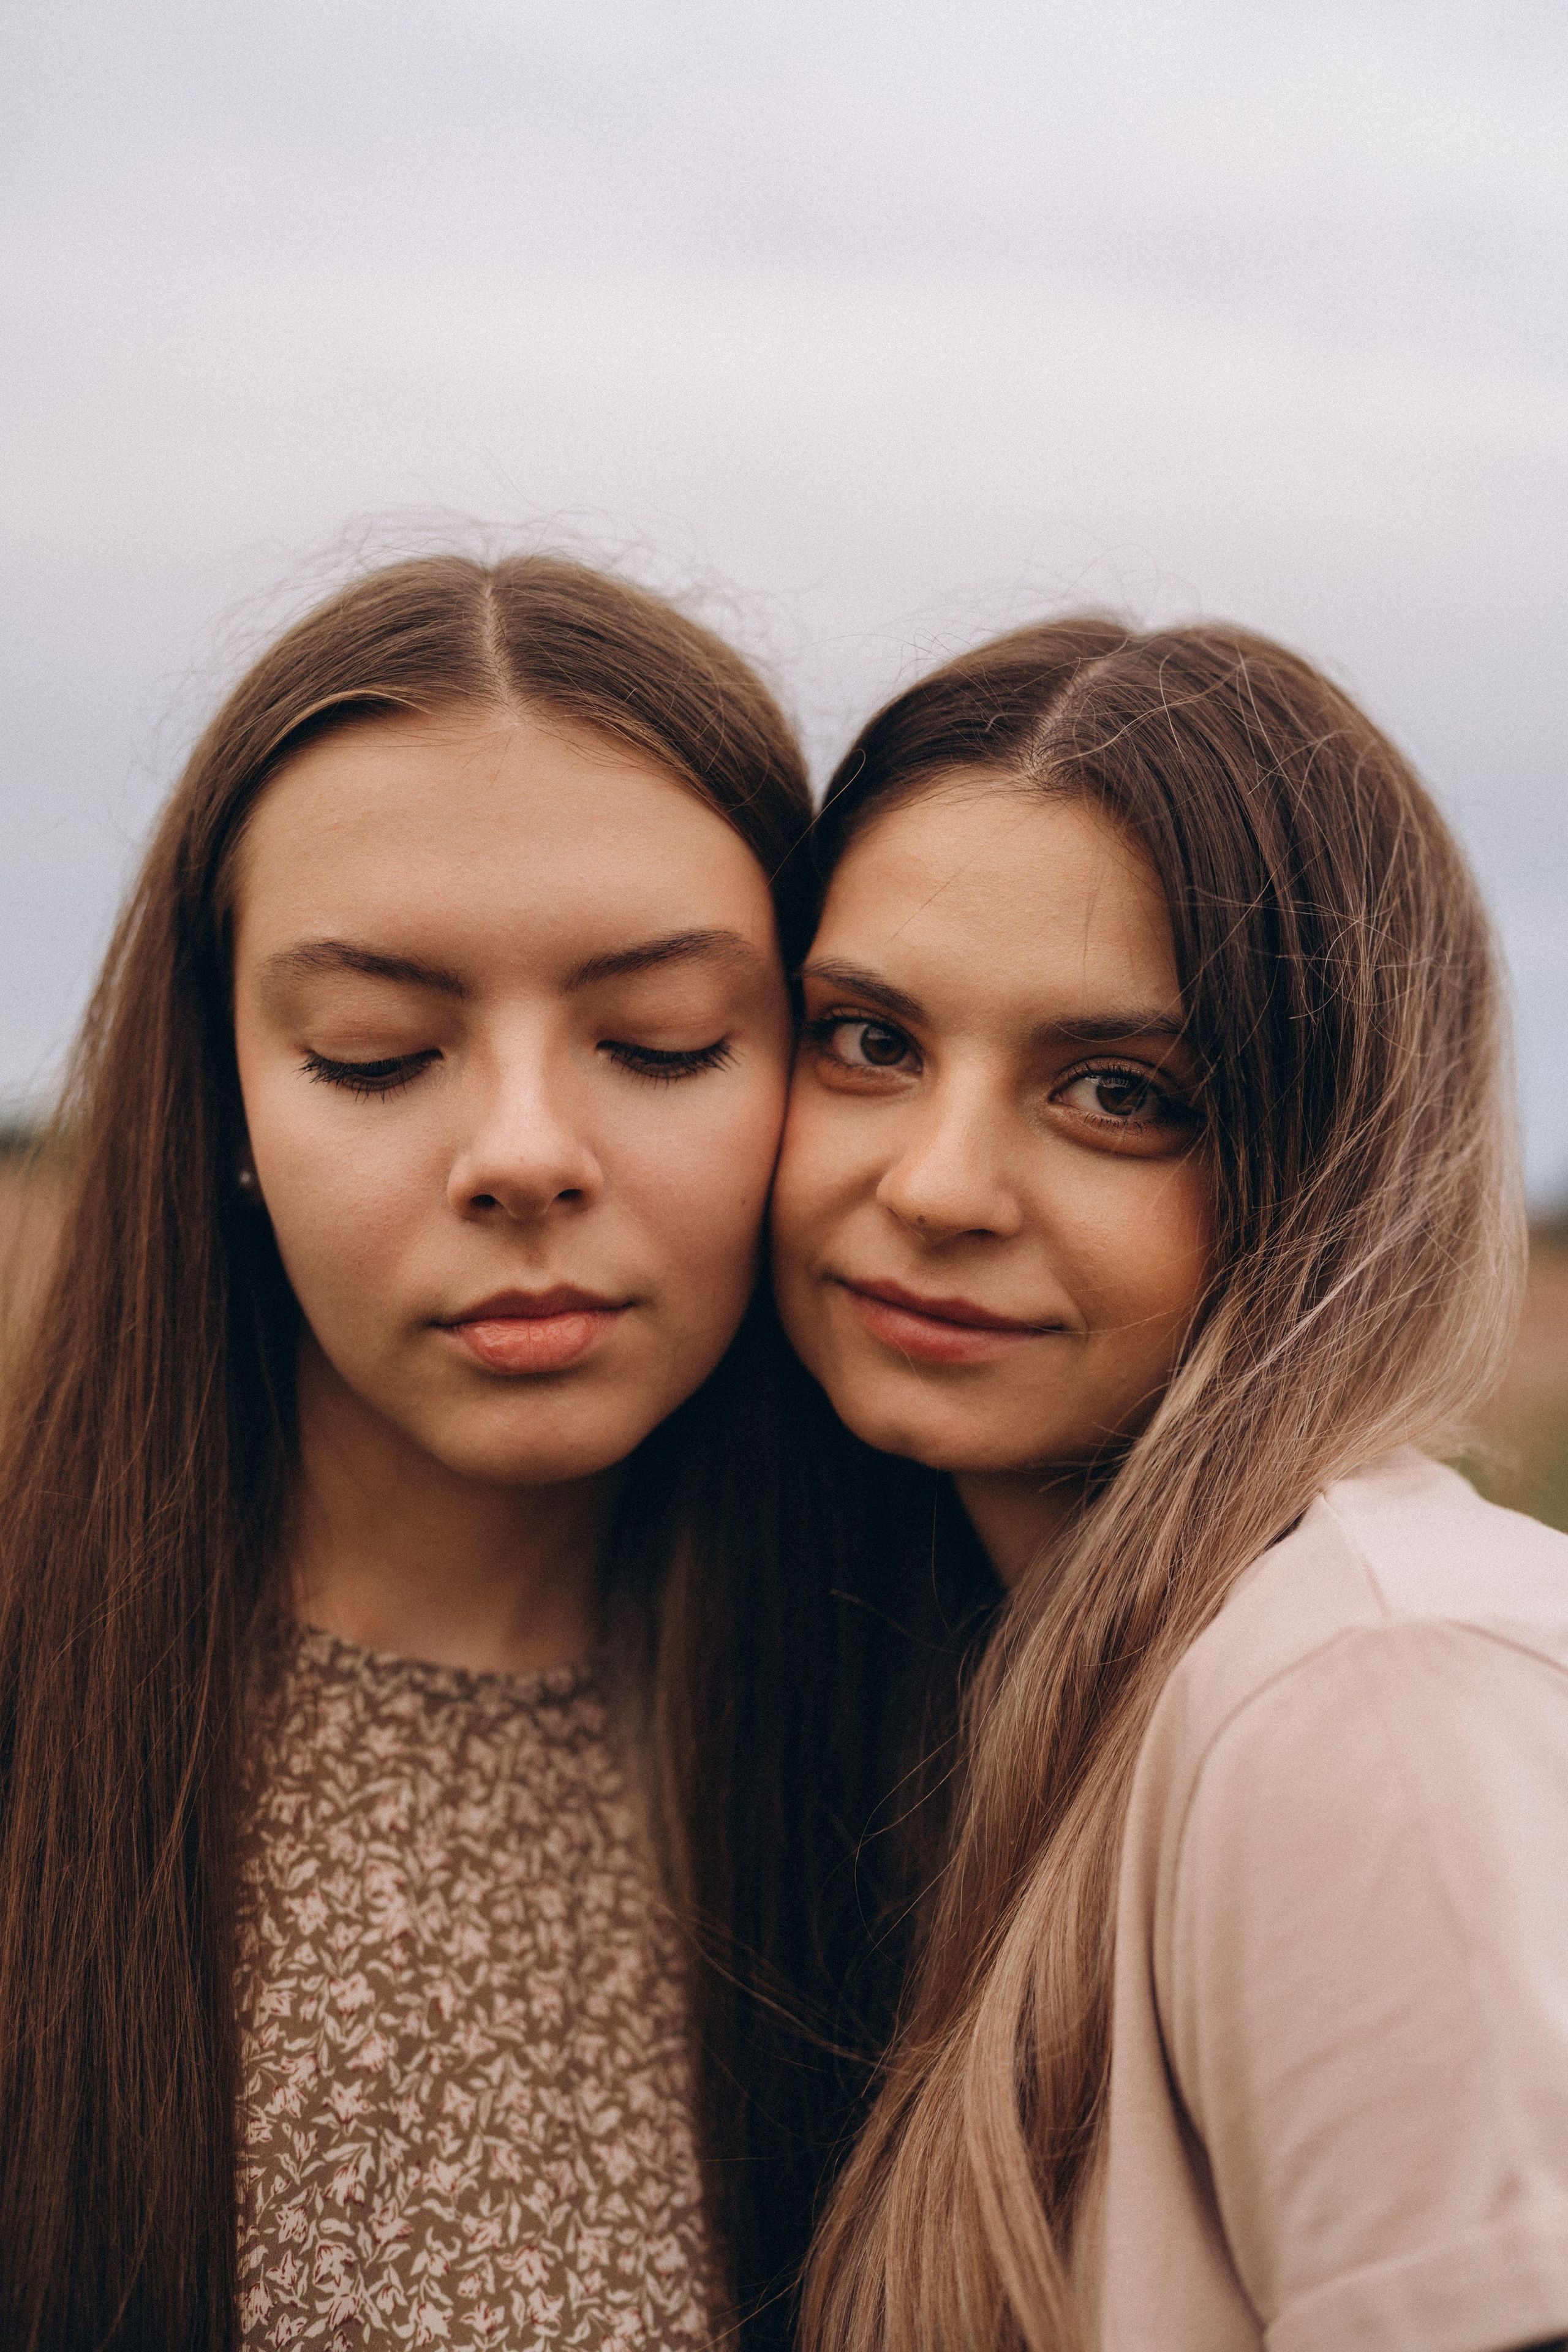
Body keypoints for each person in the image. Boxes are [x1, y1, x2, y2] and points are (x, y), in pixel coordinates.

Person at [0, 551, 862, 2352]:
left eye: (661, 1043)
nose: (525, 1154)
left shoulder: (961, 1732)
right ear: (226, 1101)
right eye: (376, 1054)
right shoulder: (44, 1708)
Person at [772, 619, 1568, 2352]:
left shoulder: (1378, 1697)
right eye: (872, 1042)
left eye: (1119, 1093)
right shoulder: (940, 1673)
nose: (938, 1186)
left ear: (1333, 1166)